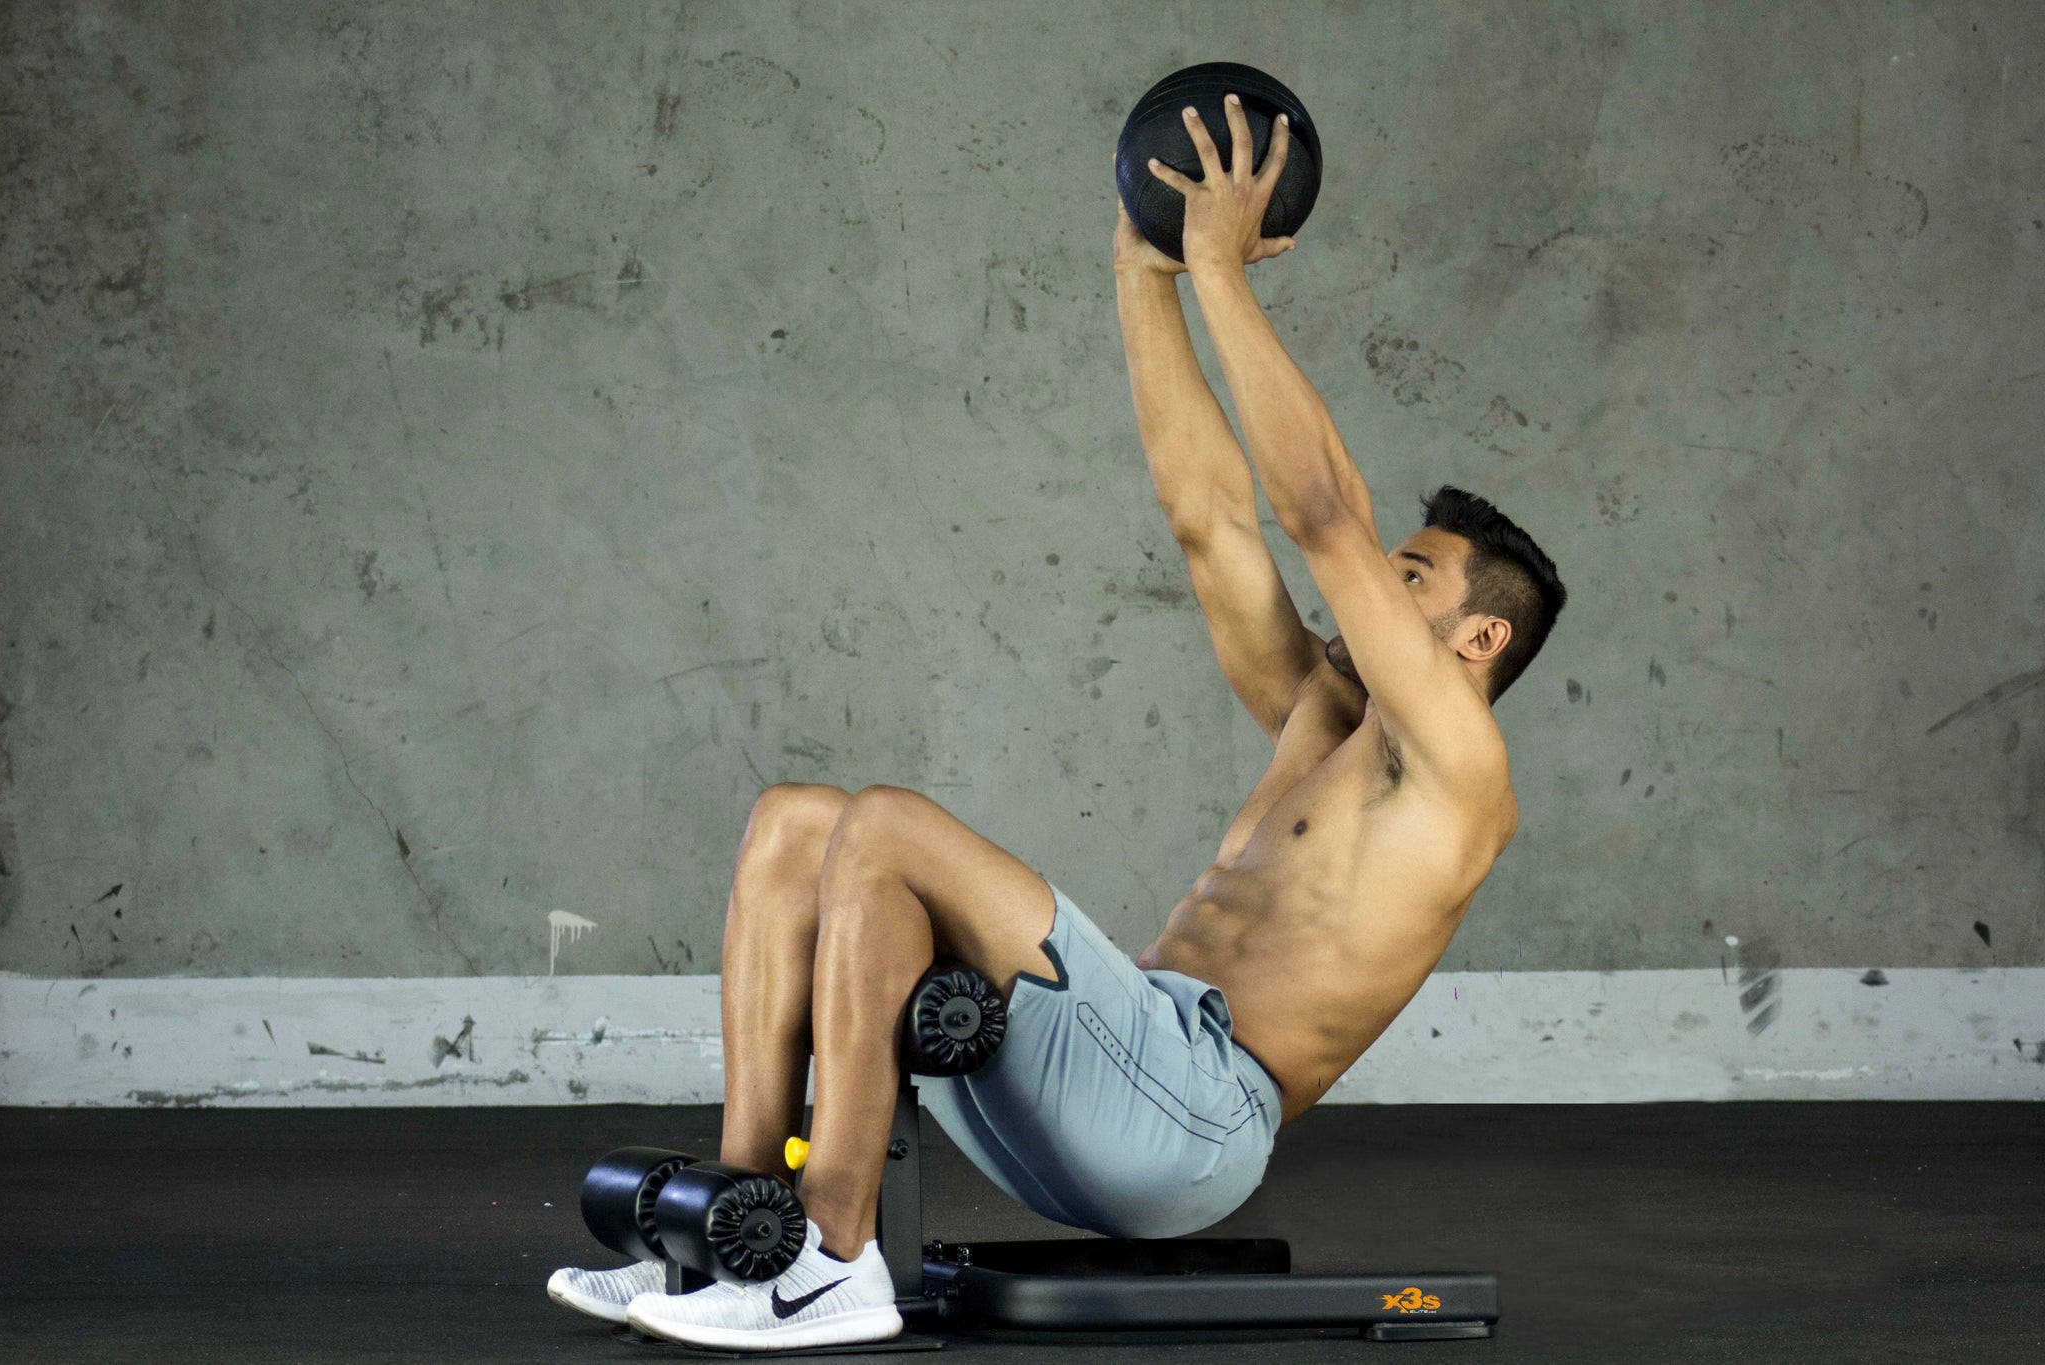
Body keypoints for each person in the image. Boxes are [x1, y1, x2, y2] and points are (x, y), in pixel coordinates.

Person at [550, 94, 1566, 1352]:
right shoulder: (1324, 717)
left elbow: (1319, 515)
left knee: (887, 828)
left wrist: (1219, 268)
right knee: (795, 824)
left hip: (1189, 1125)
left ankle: (834, 1258)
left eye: (1408, 577)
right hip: (1111, 1077)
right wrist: (1145, 274)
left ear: (1478, 640)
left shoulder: (1462, 770)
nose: (1371, 582)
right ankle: (731, 1242)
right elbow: (1208, 517)